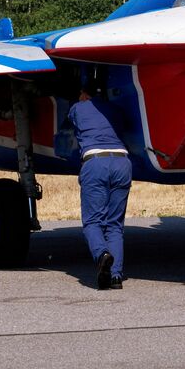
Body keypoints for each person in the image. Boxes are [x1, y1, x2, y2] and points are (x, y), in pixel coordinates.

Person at [57, 82, 132, 290]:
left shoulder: (78, 108)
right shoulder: (116, 110)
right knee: (115, 224)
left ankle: (102, 254)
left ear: (84, 94)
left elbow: (69, 122)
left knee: (93, 221)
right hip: (122, 162)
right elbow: (125, 124)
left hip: (95, 161)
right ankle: (116, 276)